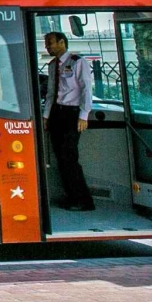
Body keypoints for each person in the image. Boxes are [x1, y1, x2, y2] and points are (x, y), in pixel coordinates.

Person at [44, 30, 95, 211]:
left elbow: (86, 89)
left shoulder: (77, 62)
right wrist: (46, 116)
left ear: (62, 43)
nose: (47, 47)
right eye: (46, 43)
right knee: (60, 156)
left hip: (72, 114)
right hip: (57, 113)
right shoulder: (52, 65)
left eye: (50, 43)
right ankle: (71, 196)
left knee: (69, 157)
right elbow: (51, 93)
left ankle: (83, 200)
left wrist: (84, 115)